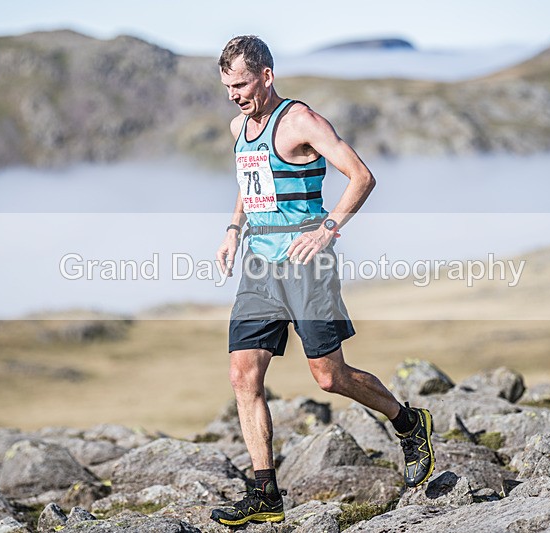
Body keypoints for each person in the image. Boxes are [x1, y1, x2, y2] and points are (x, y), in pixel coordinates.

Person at [211, 35, 434, 527]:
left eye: (242, 84)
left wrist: (328, 227)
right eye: (228, 86)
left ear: (266, 75)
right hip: (258, 266)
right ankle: (265, 492)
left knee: (329, 377)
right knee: (243, 374)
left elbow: (361, 175)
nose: (234, 95)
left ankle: (409, 422)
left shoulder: (301, 121)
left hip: (308, 266)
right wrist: (233, 230)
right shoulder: (239, 126)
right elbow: (250, 184)